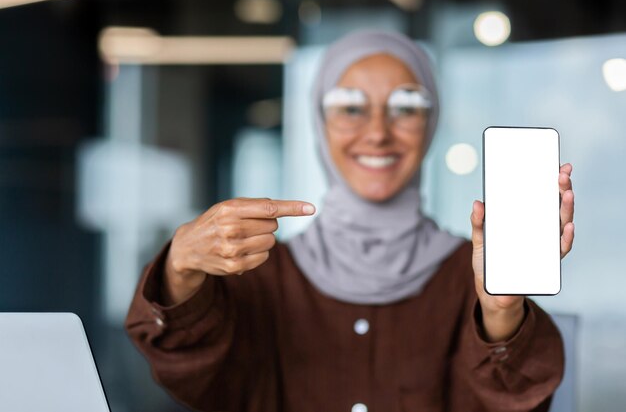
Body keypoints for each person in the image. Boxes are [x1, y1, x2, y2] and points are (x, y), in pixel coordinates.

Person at [125, 30, 575, 412]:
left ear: (431, 123)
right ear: (319, 123)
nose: (377, 131)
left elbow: (514, 402)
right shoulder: (255, 271)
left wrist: (502, 312)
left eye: (405, 106)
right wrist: (180, 267)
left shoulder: (474, 275)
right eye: (350, 106)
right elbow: (189, 377)